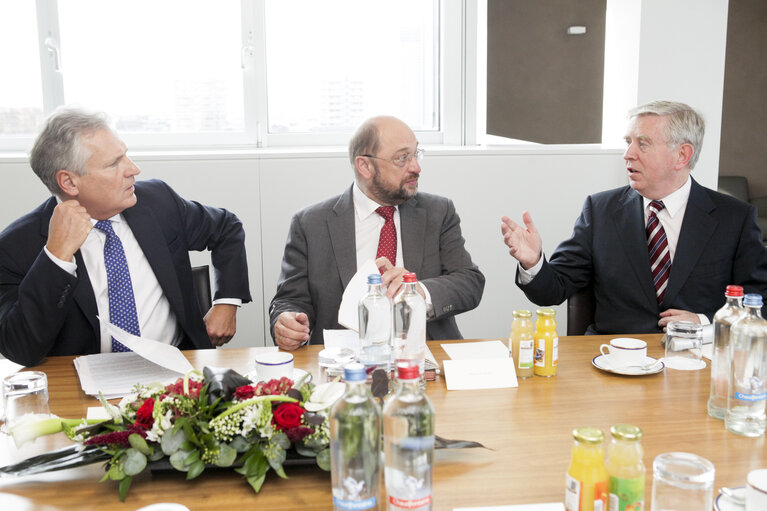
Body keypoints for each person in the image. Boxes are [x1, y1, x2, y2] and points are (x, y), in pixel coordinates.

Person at [0, 108, 251, 366]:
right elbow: (21, 349)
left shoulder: (157, 201)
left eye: (126, 155)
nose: (134, 169)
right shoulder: (16, 247)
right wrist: (56, 256)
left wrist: (226, 303)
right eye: (113, 163)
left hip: (176, 368)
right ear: (69, 183)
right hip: (80, 381)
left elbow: (226, 227)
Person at [501, 100, 767, 334]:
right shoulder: (600, 209)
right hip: (613, 358)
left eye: (643, 143)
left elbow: (760, 300)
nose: (628, 154)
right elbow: (554, 290)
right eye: (628, 142)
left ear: (682, 155)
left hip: (695, 362)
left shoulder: (734, 218)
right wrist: (533, 262)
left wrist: (704, 321)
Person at [270, 115, 485, 349]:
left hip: (423, 356)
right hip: (345, 361)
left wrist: (418, 291)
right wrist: (286, 323)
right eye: (402, 158)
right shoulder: (310, 224)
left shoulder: (438, 212)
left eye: (416, 154)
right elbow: (289, 300)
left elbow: (469, 282)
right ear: (365, 166)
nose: (416, 167)